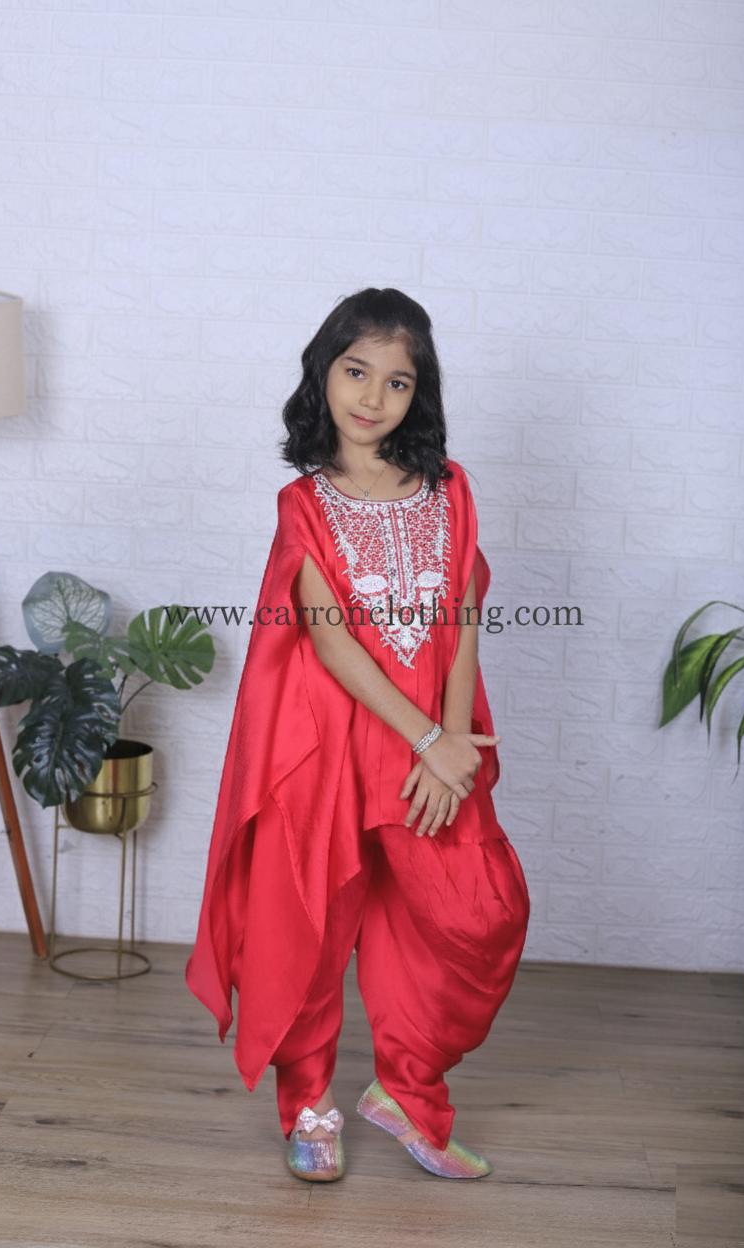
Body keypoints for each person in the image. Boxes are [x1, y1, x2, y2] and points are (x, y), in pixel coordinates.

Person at [186, 288, 529, 1182]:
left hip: (432, 750)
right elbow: (330, 639)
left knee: (475, 912)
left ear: (421, 393)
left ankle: (408, 1094)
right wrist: (424, 737)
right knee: (313, 925)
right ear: (324, 373)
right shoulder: (303, 503)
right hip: (331, 747)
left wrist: (451, 745)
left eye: (397, 381)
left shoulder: (450, 490)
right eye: (355, 371)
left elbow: (463, 618)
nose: (373, 397)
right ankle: (310, 1106)